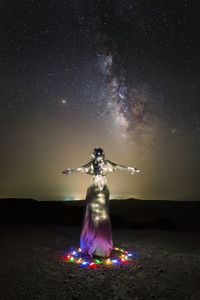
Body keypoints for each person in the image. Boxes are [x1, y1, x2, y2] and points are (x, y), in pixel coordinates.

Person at [62, 147, 140, 258]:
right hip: (94, 190)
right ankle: (94, 245)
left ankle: (101, 246)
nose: (98, 156)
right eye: (96, 154)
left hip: (102, 190)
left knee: (102, 216)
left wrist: (130, 168)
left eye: (99, 154)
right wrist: (71, 171)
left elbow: (117, 166)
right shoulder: (93, 164)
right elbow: (82, 168)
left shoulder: (105, 164)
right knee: (94, 215)